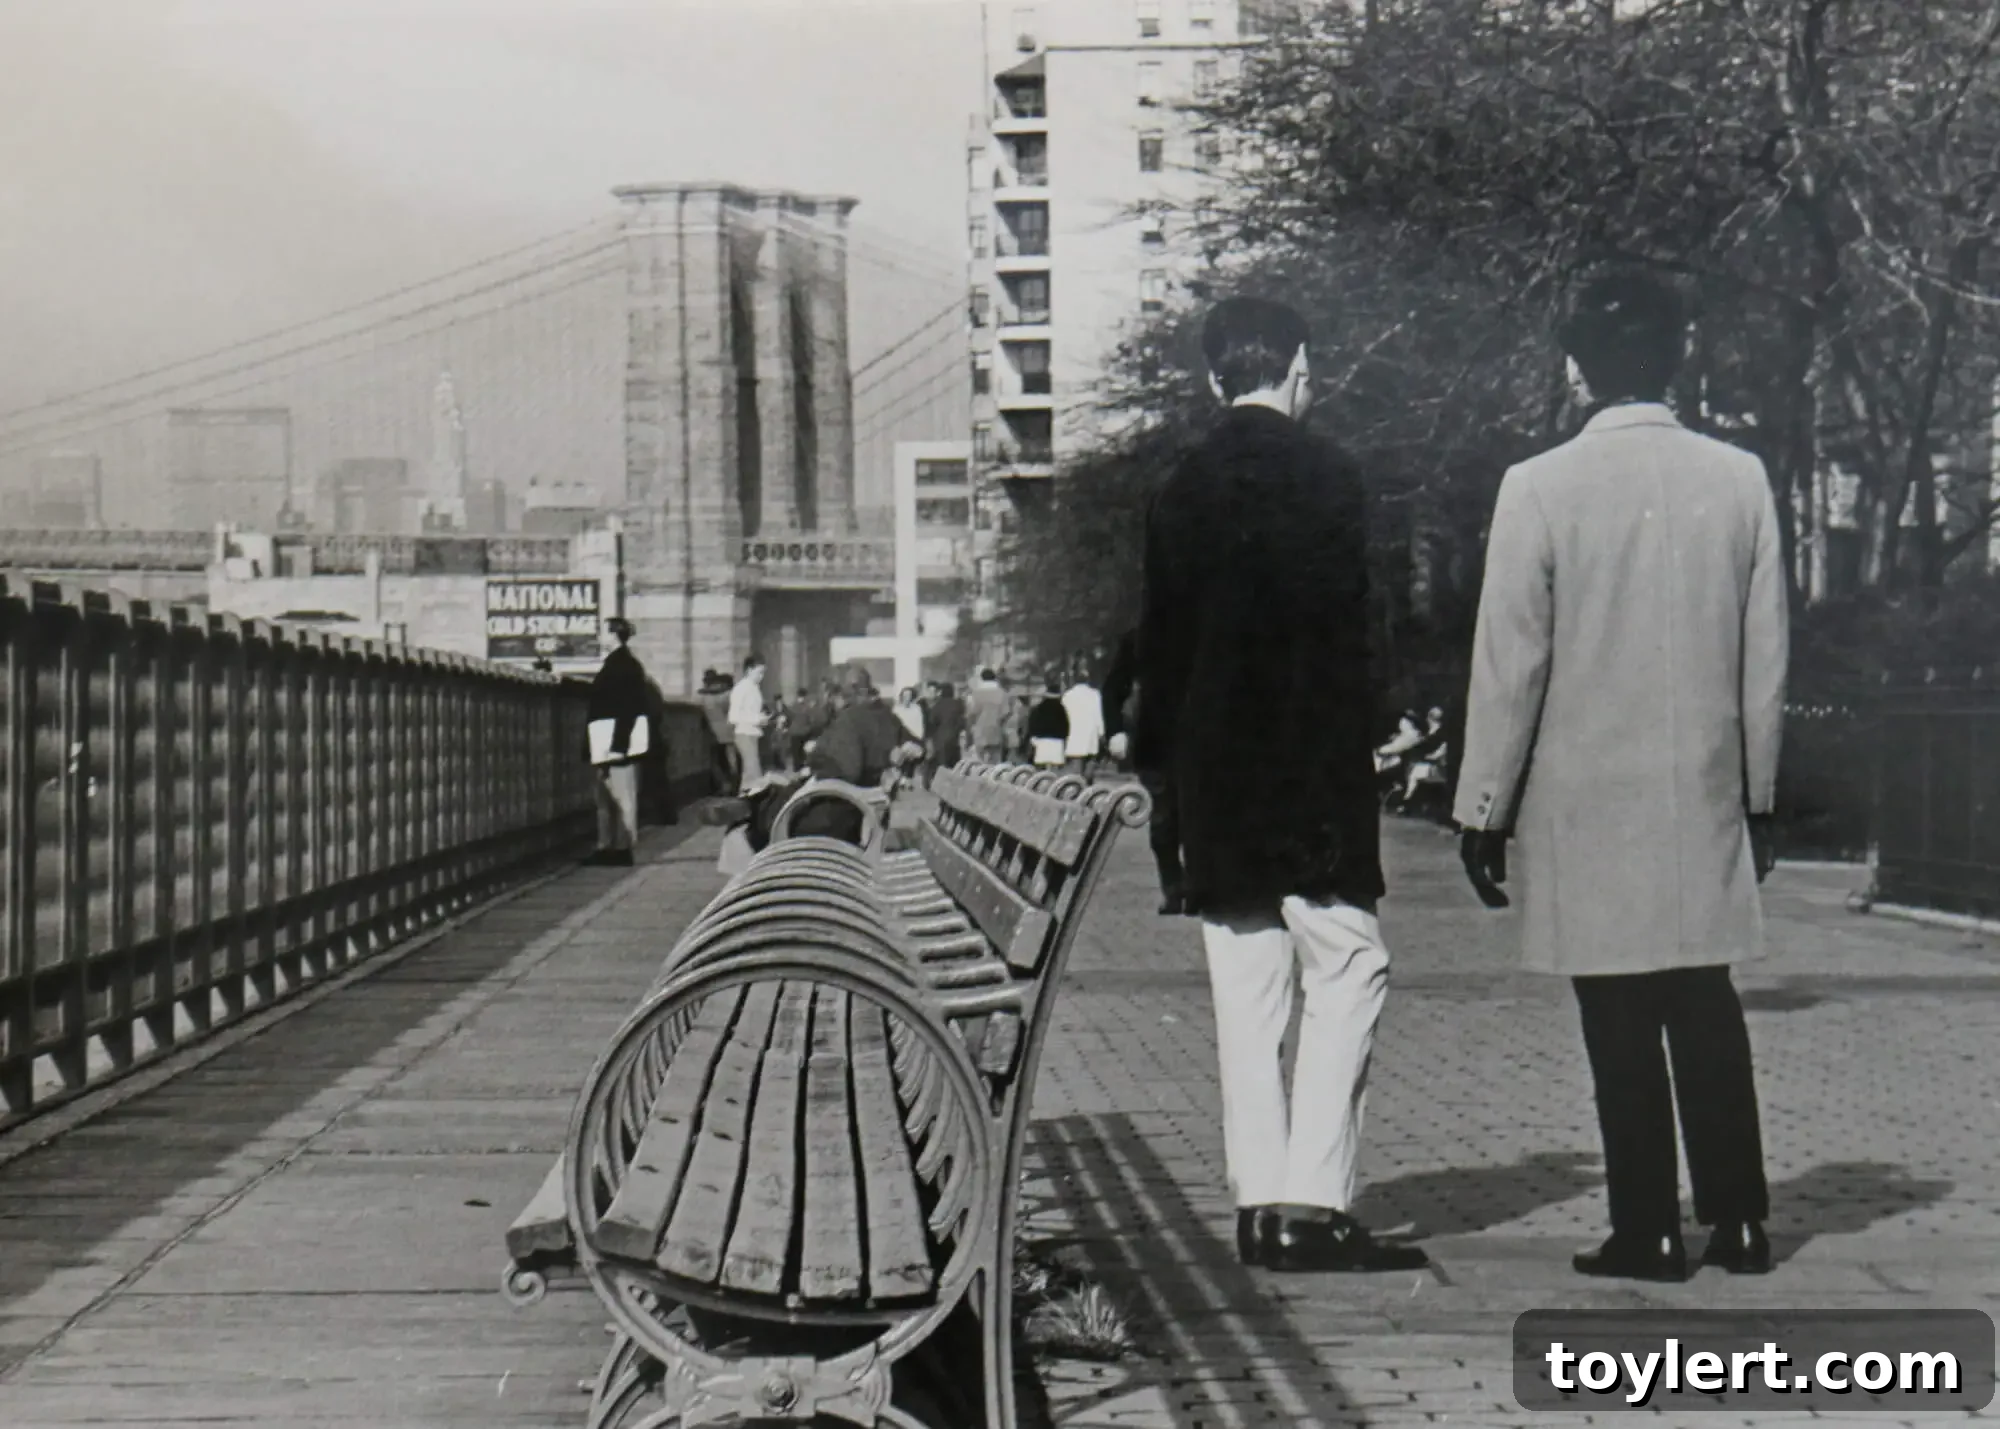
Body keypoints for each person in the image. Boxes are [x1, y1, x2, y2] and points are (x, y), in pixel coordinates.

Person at [1454, 270, 1787, 1283]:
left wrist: (1481, 805)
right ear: (1676, 357)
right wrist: (1759, 795)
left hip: (1583, 796)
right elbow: (1762, 655)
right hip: (1698, 789)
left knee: (1615, 1015)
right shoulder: (1739, 477)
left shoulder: (1536, 485)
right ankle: (1736, 1220)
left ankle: (1643, 1225)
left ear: (1574, 369)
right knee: (1703, 1001)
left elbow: (1510, 660)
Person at [1135, 295, 1425, 1274]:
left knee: (1246, 987)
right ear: (1297, 365)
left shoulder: (1177, 488)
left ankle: (1259, 1200)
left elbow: (1159, 654)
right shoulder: (1329, 476)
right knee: (1348, 965)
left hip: (1213, 780)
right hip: (1307, 773)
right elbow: (1350, 632)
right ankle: (1312, 1200)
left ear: (1212, 376)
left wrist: (1164, 787)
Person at [1104, 630, 1185, 914]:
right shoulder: (1139, 638)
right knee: (1163, 819)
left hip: (1200, 742)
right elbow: (1113, 688)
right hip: (1156, 743)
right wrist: (1114, 731)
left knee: (1197, 816)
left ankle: (1197, 885)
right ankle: (1174, 887)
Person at [584, 618, 649, 867]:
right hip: (607, 743)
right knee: (608, 797)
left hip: (615, 744)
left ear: (613, 635)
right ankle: (609, 847)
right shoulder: (623, 663)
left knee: (620, 798)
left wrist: (619, 745)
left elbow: (629, 708)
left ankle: (621, 849)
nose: (599, 636)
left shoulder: (624, 666)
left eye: (602, 631)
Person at [728, 654, 768, 792]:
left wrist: (762, 718)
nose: (762, 676)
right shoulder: (741, 689)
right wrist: (756, 719)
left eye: (763, 673)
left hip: (753, 733)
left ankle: (747, 801)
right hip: (744, 734)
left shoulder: (754, 688)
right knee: (753, 773)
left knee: (751, 774)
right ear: (749, 670)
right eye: (759, 672)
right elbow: (733, 716)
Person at [1062, 669, 1106, 780]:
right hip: (1090, 733)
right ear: (1088, 680)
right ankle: (1087, 784)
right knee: (1090, 760)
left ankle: (1078, 786)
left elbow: (1064, 717)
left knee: (1077, 762)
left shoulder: (1067, 695)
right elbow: (1098, 715)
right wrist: (1101, 732)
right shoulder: (1095, 694)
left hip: (1074, 733)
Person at [698, 669, 738, 792]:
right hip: (728, 733)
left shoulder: (704, 698)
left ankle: (723, 784)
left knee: (716, 761)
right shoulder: (726, 695)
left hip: (712, 734)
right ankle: (733, 783)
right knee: (730, 761)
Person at [1026, 676, 1070, 769]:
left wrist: (1033, 736)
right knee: (1054, 765)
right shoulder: (1061, 709)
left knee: (1041, 764)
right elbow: (1066, 725)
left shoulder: (1038, 708)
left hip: (1041, 739)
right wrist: (1064, 737)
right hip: (1057, 740)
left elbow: (1032, 723)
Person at [968, 668, 1010, 764]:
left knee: (980, 761)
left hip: (980, 731)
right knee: (995, 760)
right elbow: (1006, 712)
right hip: (996, 730)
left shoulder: (976, 694)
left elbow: (972, 713)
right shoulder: (1002, 693)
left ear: (981, 678)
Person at [927, 680, 967, 782]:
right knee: (954, 764)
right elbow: (962, 720)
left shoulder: (938, 705)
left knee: (942, 764)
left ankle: (942, 785)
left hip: (940, 738)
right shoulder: (958, 704)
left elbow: (932, 721)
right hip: (955, 738)